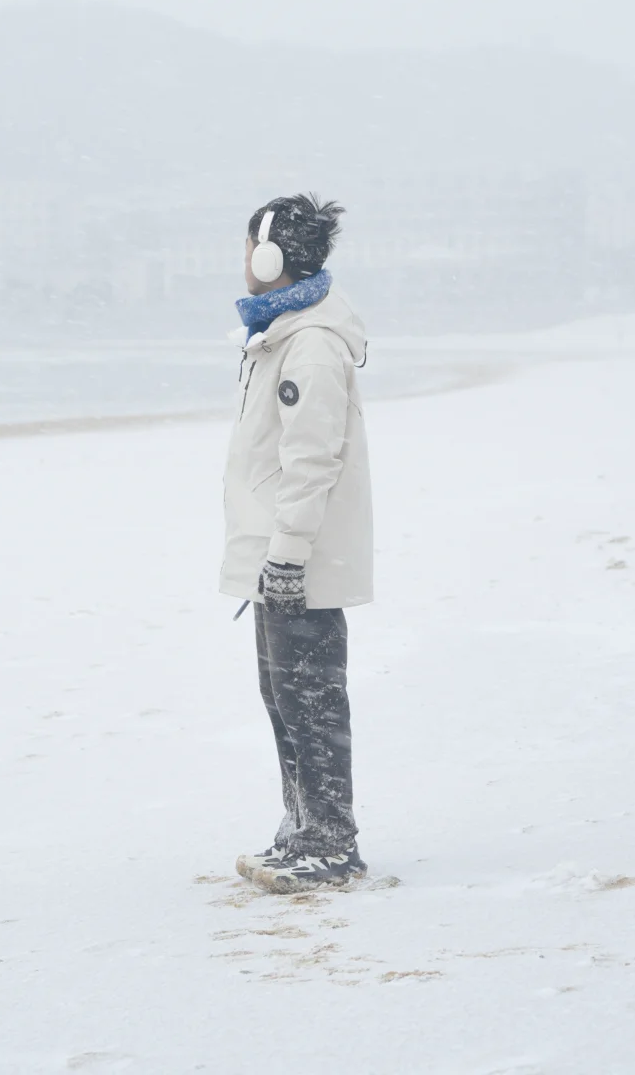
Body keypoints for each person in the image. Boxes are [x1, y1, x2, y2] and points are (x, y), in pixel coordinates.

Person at [220, 192, 373, 893]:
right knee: (282, 696)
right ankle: (302, 828)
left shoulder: (309, 345)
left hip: (297, 557)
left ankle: (330, 844)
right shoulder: (282, 332)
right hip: (277, 550)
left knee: (309, 701)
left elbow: (312, 462)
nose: (244, 260)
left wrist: (285, 555)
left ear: (270, 256)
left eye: (249, 247)